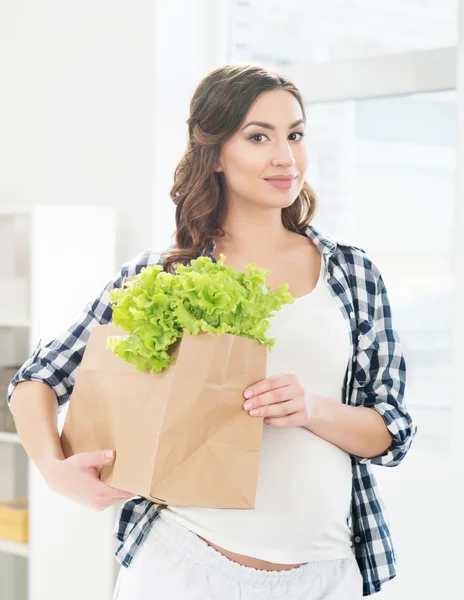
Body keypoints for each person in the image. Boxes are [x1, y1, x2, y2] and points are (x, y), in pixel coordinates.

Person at [8, 64, 417, 600]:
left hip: (325, 574)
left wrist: (312, 409)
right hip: (182, 565)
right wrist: (55, 471)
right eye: (258, 137)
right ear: (216, 152)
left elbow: (392, 432)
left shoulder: (352, 274)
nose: (285, 157)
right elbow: (37, 378)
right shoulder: (165, 273)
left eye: (295, 134)